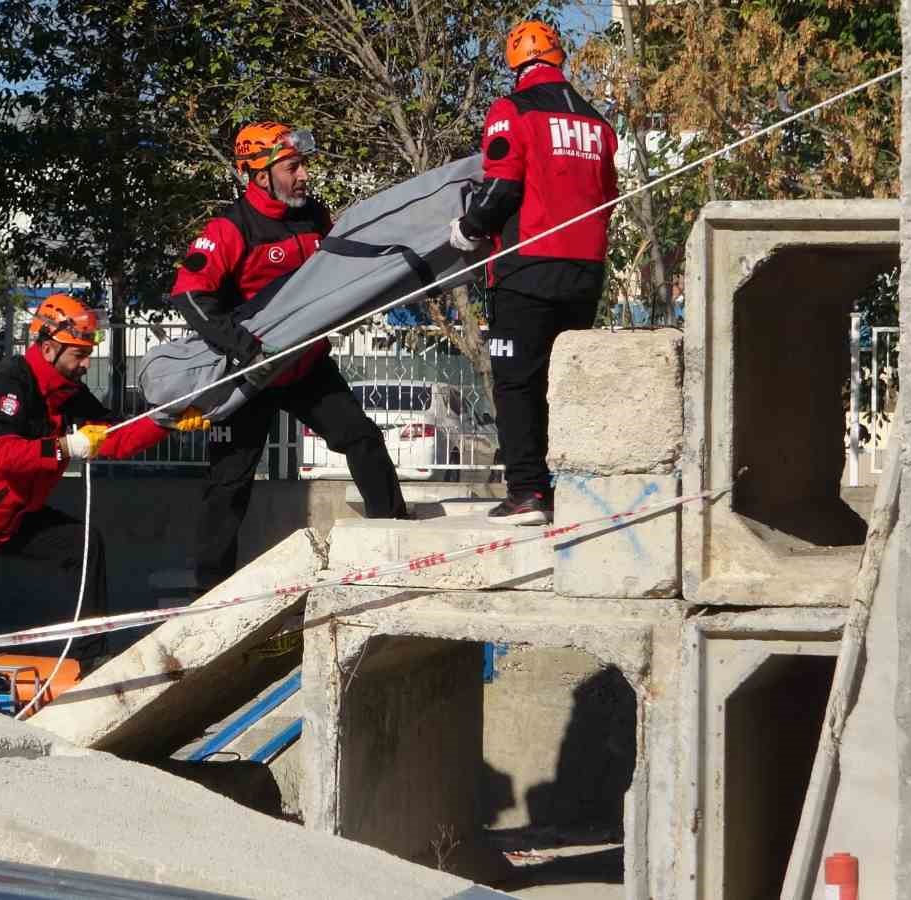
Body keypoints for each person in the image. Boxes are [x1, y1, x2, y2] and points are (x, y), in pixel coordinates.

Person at [0, 294, 211, 688]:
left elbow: (113, 437)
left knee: (84, 545)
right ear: (49, 346)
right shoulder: (6, 387)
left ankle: (92, 657)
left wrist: (166, 423)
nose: (87, 364)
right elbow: (4, 456)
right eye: (79, 354)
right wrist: (67, 447)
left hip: (12, 515)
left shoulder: (67, 390)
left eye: (89, 353)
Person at [169, 121, 407, 593]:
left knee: (361, 438)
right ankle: (209, 595)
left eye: (303, 166)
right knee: (227, 484)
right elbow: (189, 295)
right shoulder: (230, 228)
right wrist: (244, 349)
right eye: (293, 167)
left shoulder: (314, 215)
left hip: (304, 365)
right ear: (259, 175)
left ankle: (399, 533)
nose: (304, 176)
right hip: (249, 374)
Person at [449, 20, 619, 525]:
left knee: (517, 382)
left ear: (514, 61)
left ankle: (527, 492)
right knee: (563, 383)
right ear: (559, 58)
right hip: (585, 272)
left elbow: (502, 186)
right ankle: (568, 490)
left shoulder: (512, 110)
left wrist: (469, 227)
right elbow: (608, 197)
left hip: (527, 269)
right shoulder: (597, 122)